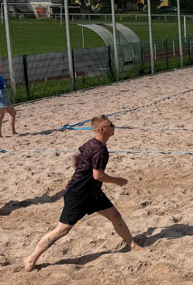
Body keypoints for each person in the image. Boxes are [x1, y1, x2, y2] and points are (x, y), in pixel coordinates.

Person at [24, 115, 141, 270]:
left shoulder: (91, 143)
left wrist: (79, 172)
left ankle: (133, 245)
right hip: (79, 193)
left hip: (93, 192)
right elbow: (97, 175)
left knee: (115, 216)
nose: (114, 126)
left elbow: (74, 156)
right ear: (102, 129)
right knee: (62, 230)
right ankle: (31, 259)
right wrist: (117, 180)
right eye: (110, 124)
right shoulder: (99, 149)